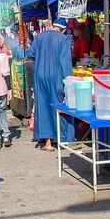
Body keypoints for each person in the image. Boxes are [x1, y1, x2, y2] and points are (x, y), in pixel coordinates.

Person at [28, 18, 74, 152]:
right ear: (63, 30)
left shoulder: (39, 37)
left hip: (40, 76)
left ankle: (48, 143)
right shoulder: (64, 40)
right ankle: (62, 139)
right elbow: (66, 64)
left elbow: (31, 53)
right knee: (59, 107)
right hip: (56, 77)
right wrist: (68, 83)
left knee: (43, 107)